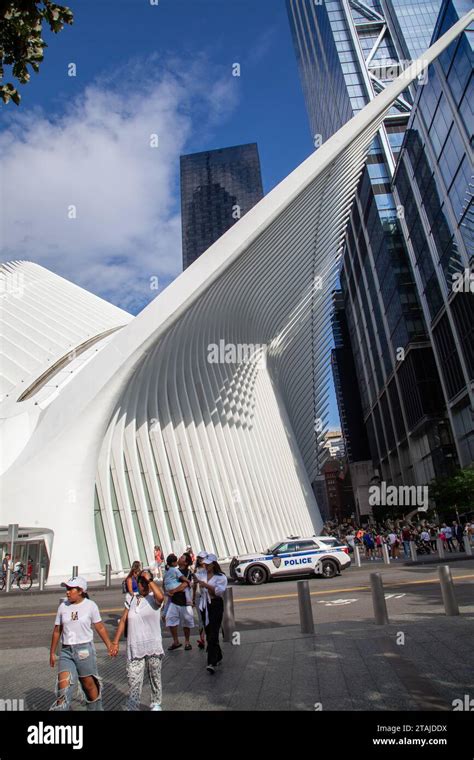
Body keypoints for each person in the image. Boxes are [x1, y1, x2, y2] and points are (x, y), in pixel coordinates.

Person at [49, 575, 114, 711]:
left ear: (81, 591)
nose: (67, 592)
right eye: (66, 588)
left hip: (84, 650)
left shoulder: (90, 606)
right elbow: (57, 630)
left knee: (89, 686)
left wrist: (110, 645)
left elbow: (100, 627)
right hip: (66, 651)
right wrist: (52, 653)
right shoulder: (62, 607)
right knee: (63, 687)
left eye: (71, 589)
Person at [112, 570, 165, 711]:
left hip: (152, 644)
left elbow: (161, 597)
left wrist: (149, 580)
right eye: (141, 582)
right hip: (135, 645)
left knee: (155, 675)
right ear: (137, 584)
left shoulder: (154, 598)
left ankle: (156, 703)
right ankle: (133, 705)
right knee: (133, 679)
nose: (144, 585)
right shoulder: (131, 599)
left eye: (146, 582)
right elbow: (123, 620)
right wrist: (115, 642)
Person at [197, 553, 228, 674]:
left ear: (214, 565)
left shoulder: (221, 577)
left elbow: (218, 593)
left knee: (213, 633)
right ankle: (218, 654)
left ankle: (211, 662)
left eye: (208, 564)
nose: (206, 566)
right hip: (205, 605)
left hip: (215, 605)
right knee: (209, 630)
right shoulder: (202, 574)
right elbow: (195, 579)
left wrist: (206, 585)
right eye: (205, 564)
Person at [165, 553, 195, 651]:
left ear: (186, 562)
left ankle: (187, 642)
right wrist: (166, 592)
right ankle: (176, 641)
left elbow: (185, 584)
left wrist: (173, 591)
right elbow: (166, 582)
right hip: (173, 601)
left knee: (186, 622)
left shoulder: (188, 572)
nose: (179, 558)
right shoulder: (173, 570)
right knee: (170, 620)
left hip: (184, 602)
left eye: (182, 558)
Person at [193, 551, 208, 649]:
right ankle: (202, 639)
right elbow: (194, 585)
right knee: (201, 619)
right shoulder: (196, 570)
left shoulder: (210, 569)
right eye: (199, 558)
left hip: (211, 596)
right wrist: (193, 597)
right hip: (201, 596)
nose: (200, 560)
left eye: (202, 558)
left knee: (211, 618)